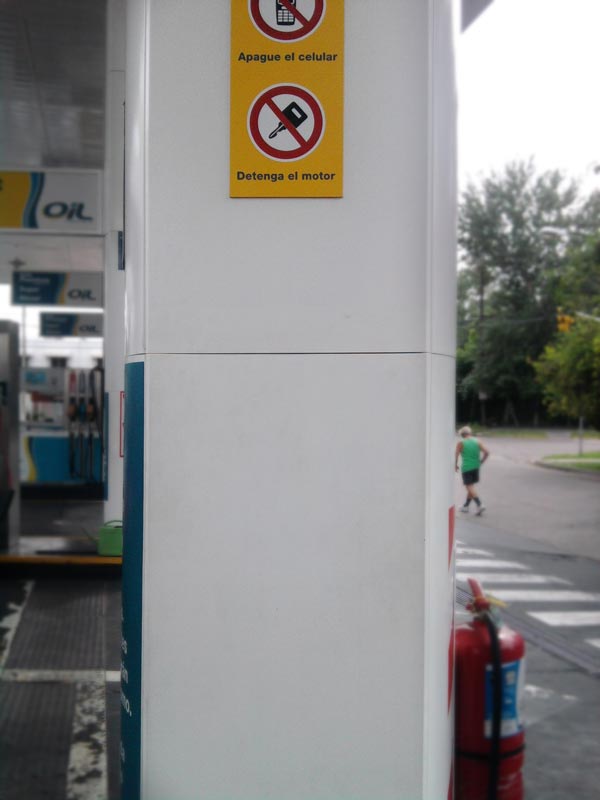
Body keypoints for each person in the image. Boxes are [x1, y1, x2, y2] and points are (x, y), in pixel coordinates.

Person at [455, 426, 489, 515]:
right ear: (469, 433)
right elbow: (486, 452)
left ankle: (479, 504)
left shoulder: (461, 442)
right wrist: (481, 461)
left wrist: (455, 465)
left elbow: (456, 454)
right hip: (476, 467)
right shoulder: (477, 441)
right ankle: (466, 506)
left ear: (462, 435)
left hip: (467, 467)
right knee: (471, 487)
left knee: (469, 487)